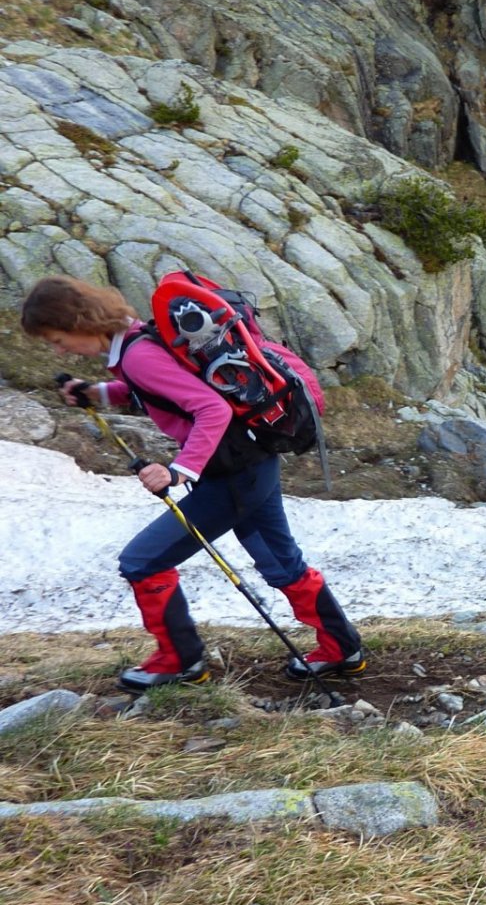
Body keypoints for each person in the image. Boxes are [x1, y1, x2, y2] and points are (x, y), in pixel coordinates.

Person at [21, 275, 366, 690]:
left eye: (59, 339)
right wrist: (96, 393)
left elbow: (211, 409)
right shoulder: (137, 337)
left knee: (142, 562)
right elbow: (159, 392)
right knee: (281, 563)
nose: (59, 350)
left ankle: (179, 661)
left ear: (81, 322)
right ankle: (342, 648)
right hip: (254, 461)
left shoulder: (136, 355)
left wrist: (179, 470)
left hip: (232, 476)